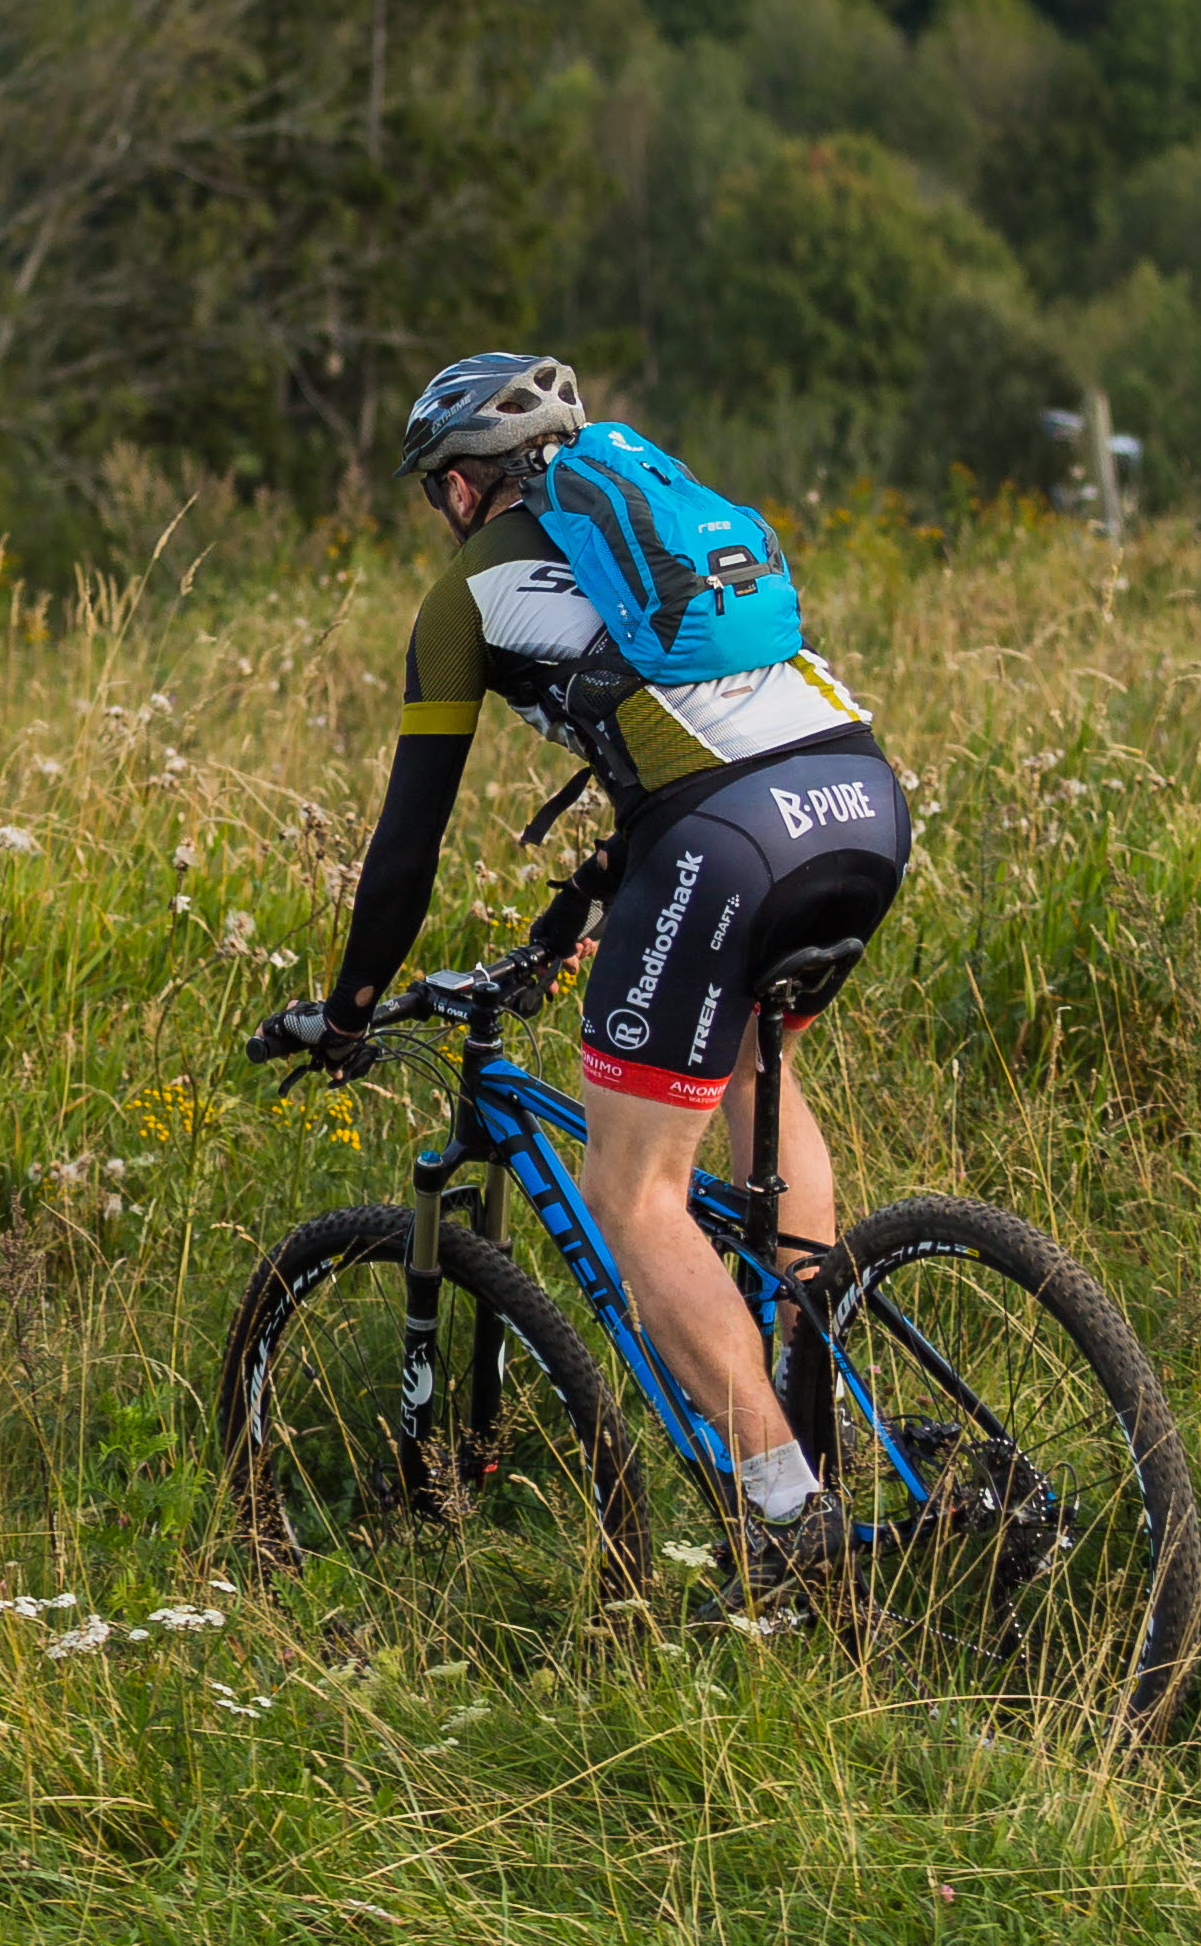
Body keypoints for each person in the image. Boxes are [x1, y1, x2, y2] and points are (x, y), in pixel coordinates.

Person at [292, 353, 909, 1581]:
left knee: (631, 1191)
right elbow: (688, 744)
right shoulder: (653, 534)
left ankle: (791, 1521)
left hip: (730, 832)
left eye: (435, 489)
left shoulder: (467, 593)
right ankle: (812, 1391)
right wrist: (579, 905)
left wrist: (348, 1010)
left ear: (463, 485)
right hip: (860, 794)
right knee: (753, 1068)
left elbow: (406, 847)